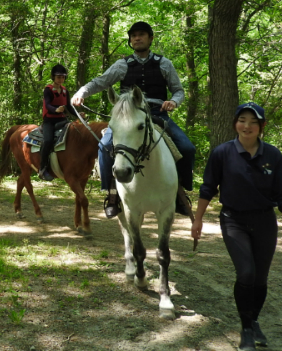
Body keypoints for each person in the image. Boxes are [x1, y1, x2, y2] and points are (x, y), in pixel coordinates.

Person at [71, 21, 196, 218]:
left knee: (187, 148)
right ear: (130, 40)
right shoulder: (122, 65)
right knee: (104, 147)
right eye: (133, 35)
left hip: (157, 115)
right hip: (127, 118)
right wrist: (82, 92)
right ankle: (112, 195)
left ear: (150, 38)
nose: (137, 38)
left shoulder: (164, 64)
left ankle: (181, 193)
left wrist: (173, 101)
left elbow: (178, 90)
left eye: (141, 34)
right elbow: (101, 82)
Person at [191, 102, 282, 351]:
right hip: (233, 220)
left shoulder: (273, 156)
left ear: (261, 126)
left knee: (261, 279)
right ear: (235, 124)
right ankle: (246, 331)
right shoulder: (222, 153)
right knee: (246, 273)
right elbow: (208, 187)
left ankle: (252, 322)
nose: (247, 126)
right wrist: (197, 219)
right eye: (242, 120)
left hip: (264, 220)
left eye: (254, 122)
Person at [38, 64, 78, 181]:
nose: (61, 79)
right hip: (49, 121)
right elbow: (48, 104)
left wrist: (78, 115)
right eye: (58, 77)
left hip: (62, 120)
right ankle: (42, 168)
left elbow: (69, 107)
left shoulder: (65, 90)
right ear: (53, 77)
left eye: (63, 77)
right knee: (48, 140)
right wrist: (55, 109)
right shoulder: (48, 89)